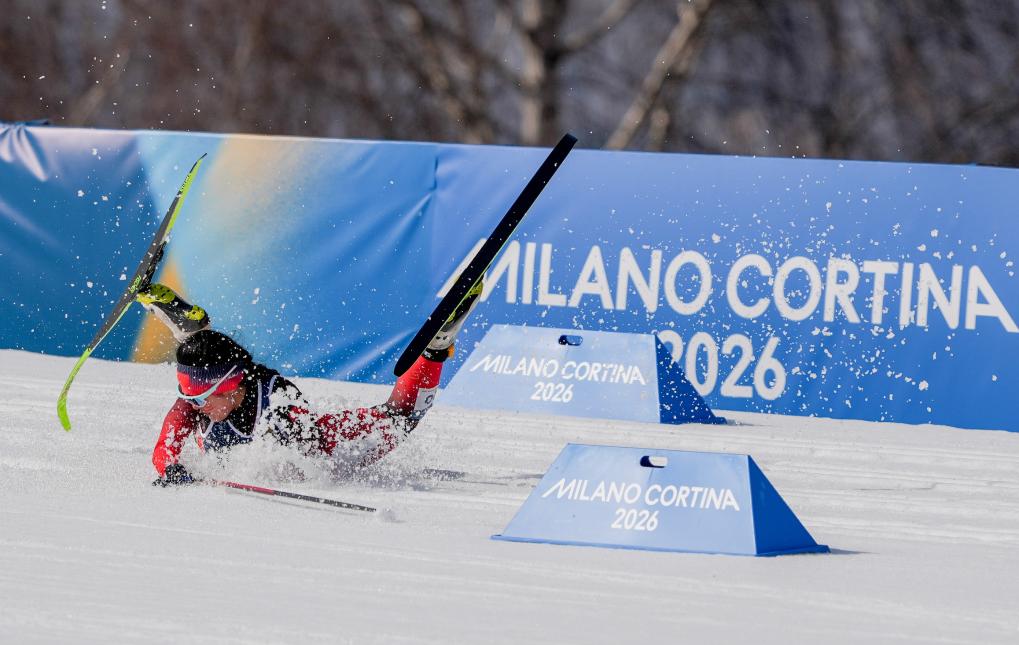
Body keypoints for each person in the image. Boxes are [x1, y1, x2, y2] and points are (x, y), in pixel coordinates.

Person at [137, 280, 482, 486]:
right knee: (202, 353)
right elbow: (165, 446)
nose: (196, 406)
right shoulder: (195, 403)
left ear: (230, 385)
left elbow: (309, 459)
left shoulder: (279, 404)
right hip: (231, 373)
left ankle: (436, 347)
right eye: (191, 398)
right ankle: (190, 327)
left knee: (401, 417)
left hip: (316, 440)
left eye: (204, 397)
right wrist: (170, 468)